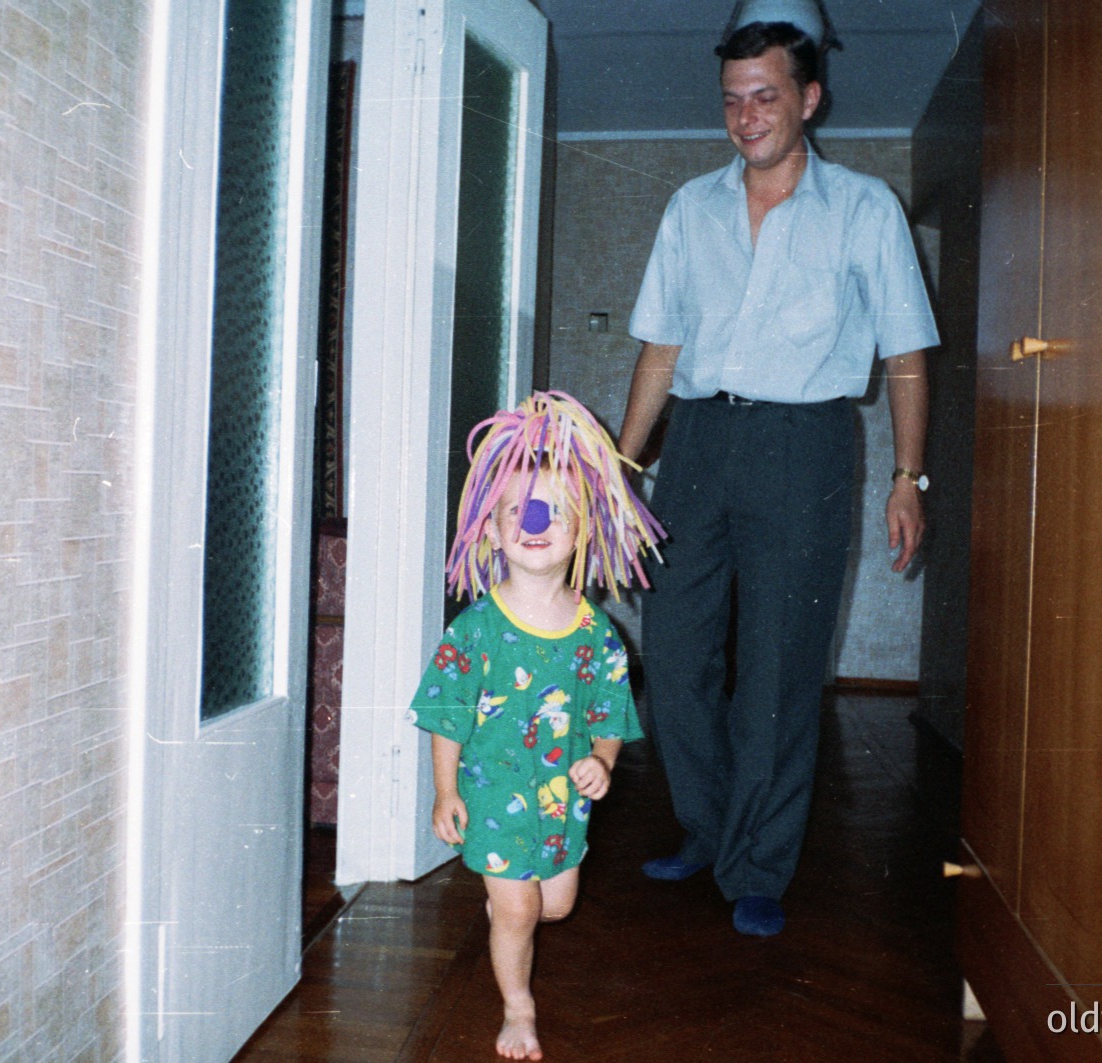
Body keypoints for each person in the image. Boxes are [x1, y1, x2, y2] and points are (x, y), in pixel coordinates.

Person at [616, 0, 938, 938]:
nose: (745, 115)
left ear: (809, 99)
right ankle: (709, 827)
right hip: (698, 444)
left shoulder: (865, 209)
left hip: (805, 446)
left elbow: (906, 355)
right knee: (675, 653)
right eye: (731, 99)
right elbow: (661, 349)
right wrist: (621, 468)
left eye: (764, 96)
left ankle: (757, 862)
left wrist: (908, 477)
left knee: (778, 664)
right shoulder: (690, 208)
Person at [410, 391, 663, 1060]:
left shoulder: (597, 633)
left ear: (583, 530)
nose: (534, 521)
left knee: (555, 905)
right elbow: (445, 715)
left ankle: (509, 908)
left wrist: (602, 760)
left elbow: (609, 713)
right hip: (492, 795)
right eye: (516, 509)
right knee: (520, 909)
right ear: (492, 530)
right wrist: (445, 790)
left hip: (559, 801)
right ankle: (517, 1009)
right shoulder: (474, 630)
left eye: (554, 510)